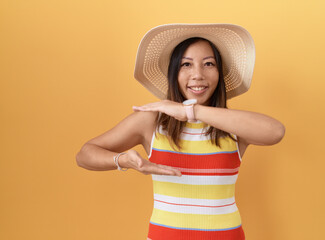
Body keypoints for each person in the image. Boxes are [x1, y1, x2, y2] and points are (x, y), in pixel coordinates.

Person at [76, 23, 285, 240]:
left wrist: (191, 111)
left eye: (208, 63)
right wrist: (121, 160)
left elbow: (275, 132)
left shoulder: (232, 126)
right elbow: (84, 154)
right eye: (186, 64)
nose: (197, 75)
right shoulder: (151, 122)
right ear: (174, 73)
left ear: (219, 73)